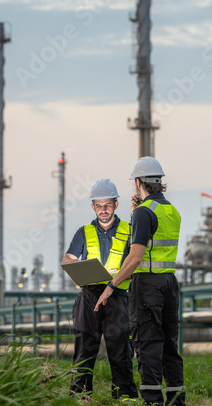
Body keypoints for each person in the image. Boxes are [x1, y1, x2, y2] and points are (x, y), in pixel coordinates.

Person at [95, 157, 186, 406]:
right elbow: (155, 244)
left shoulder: (144, 213)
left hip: (147, 286)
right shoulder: (171, 211)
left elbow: (135, 257)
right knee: (169, 343)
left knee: (147, 343)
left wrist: (111, 286)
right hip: (169, 283)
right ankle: (176, 399)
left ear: (138, 182)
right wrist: (137, 212)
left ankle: (152, 400)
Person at [61, 178, 138, 403]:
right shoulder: (83, 232)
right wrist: (73, 264)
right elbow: (68, 258)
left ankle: (124, 396)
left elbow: (137, 262)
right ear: (92, 206)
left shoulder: (129, 230)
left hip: (117, 298)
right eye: (98, 205)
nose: (103, 210)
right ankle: (80, 395)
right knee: (84, 348)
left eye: (107, 205)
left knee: (120, 348)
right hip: (88, 297)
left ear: (116, 204)